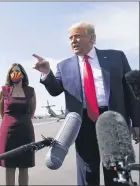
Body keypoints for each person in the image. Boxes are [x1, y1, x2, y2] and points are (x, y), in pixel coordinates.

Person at [33, 22, 140, 186]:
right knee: (87, 173)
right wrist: (46, 73)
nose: (73, 41)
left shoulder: (116, 57)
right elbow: (55, 90)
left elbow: (132, 92)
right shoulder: (64, 66)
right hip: (83, 124)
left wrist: (137, 122)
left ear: (92, 38)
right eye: (70, 38)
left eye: (77, 36)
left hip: (113, 121)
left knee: (117, 173)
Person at [0, 63, 36, 186]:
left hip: (25, 132)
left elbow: (32, 110)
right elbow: (2, 111)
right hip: (9, 134)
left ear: (23, 74)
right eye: (12, 72)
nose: (15, 74)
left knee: (24, 167)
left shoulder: (30, 91)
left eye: (18, 71)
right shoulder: (4, 91)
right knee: (10, 166)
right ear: (9, 75)